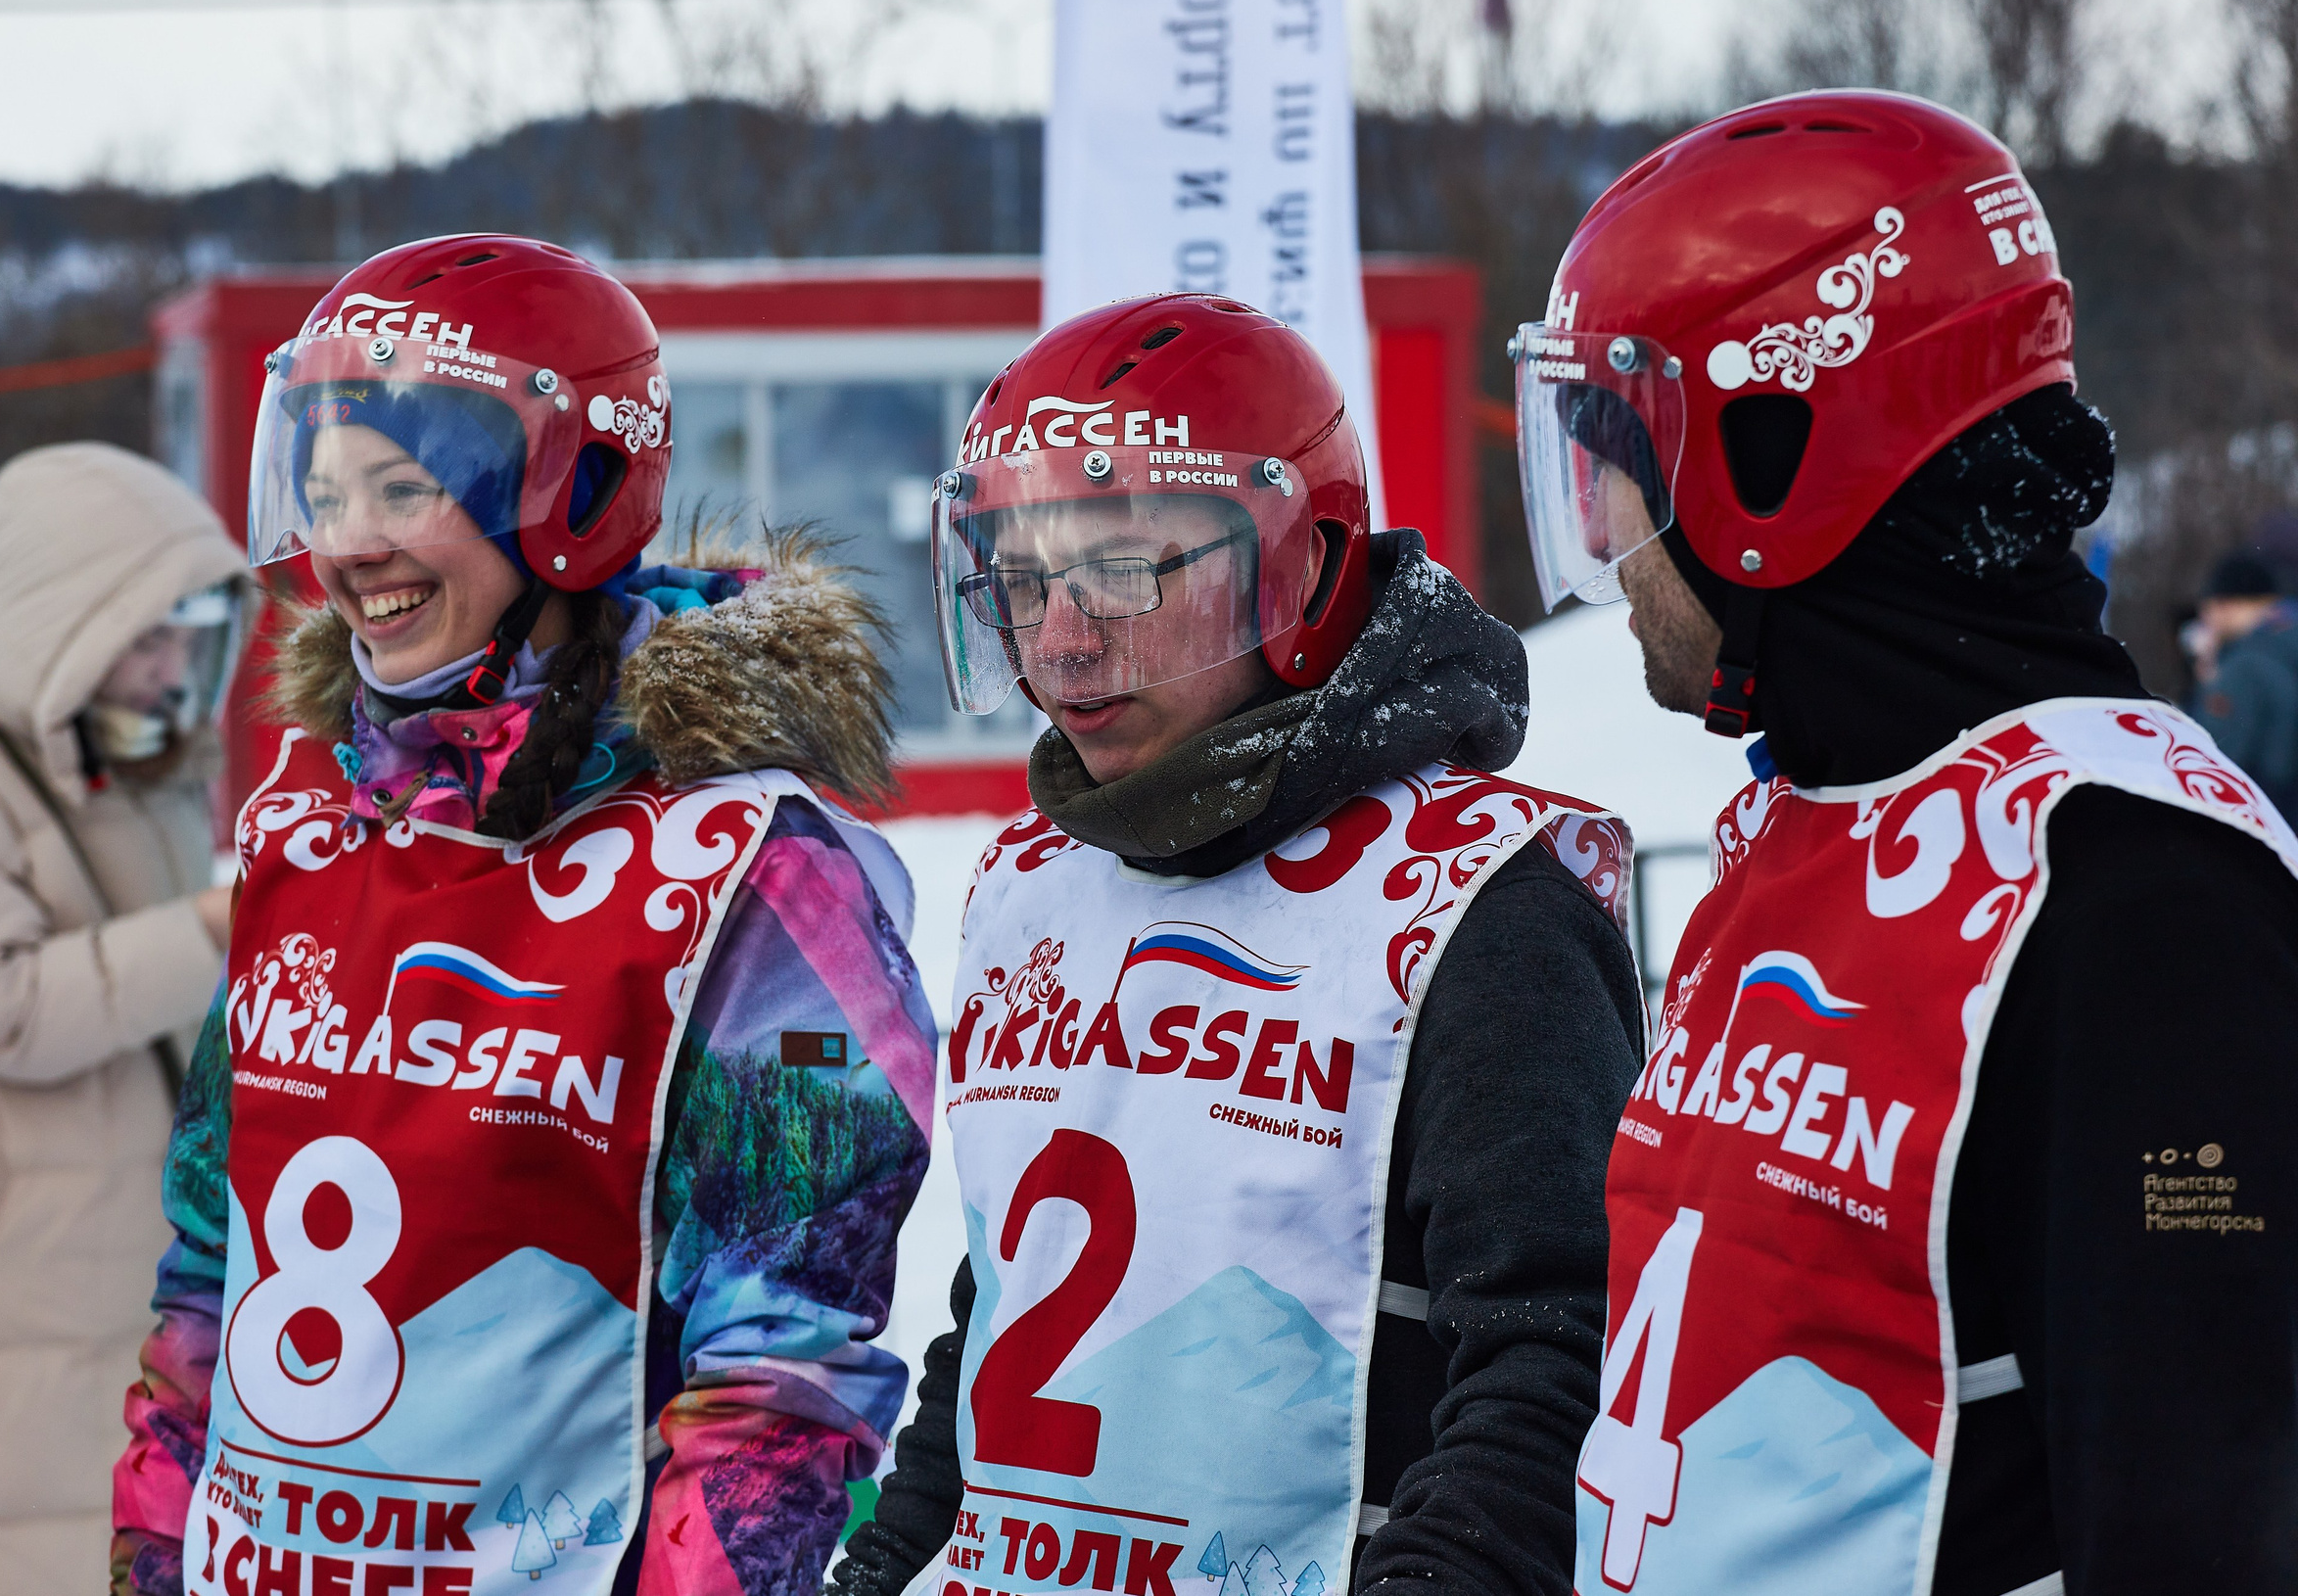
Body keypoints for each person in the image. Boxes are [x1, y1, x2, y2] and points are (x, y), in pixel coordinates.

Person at [1513, 90, 2298, 1595]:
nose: (1602, 522)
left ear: (1772, 461)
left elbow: (2209, 1520)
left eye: (1617, 451)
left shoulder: (2137, 892)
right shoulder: (1814, 807)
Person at [108, 235, 938, 1596]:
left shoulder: (746, 870)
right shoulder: (309, 821)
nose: (351, 539)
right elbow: (208, 1268)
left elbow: (782, 1381)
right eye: (324, 490)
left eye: (404, 485)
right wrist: (150, 1557)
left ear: (577, 490)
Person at [828, 296, 1646, 1596]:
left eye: (1124, 571)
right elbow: (994, 1318)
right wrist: (879, 1566)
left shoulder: (1479, 900)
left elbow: (1559, 1370)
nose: (1062, 640)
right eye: (1026, 581)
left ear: (1303, 571)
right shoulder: (1031, 884)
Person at [0, 441, 250, 1596]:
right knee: (17, 1541)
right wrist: (211, 933)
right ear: (56, 627)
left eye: (187, 631)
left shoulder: (134, 775)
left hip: (124, 1255)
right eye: (143, 634)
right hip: (9, 1276)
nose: (170, 667)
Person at [2190, 549, 2298, 815]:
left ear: (2226, 604)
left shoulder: (2243, 666)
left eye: (2208, 608)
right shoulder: (2286, 646)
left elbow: (2215, 763)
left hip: (2261, 820)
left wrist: (2209, 683)